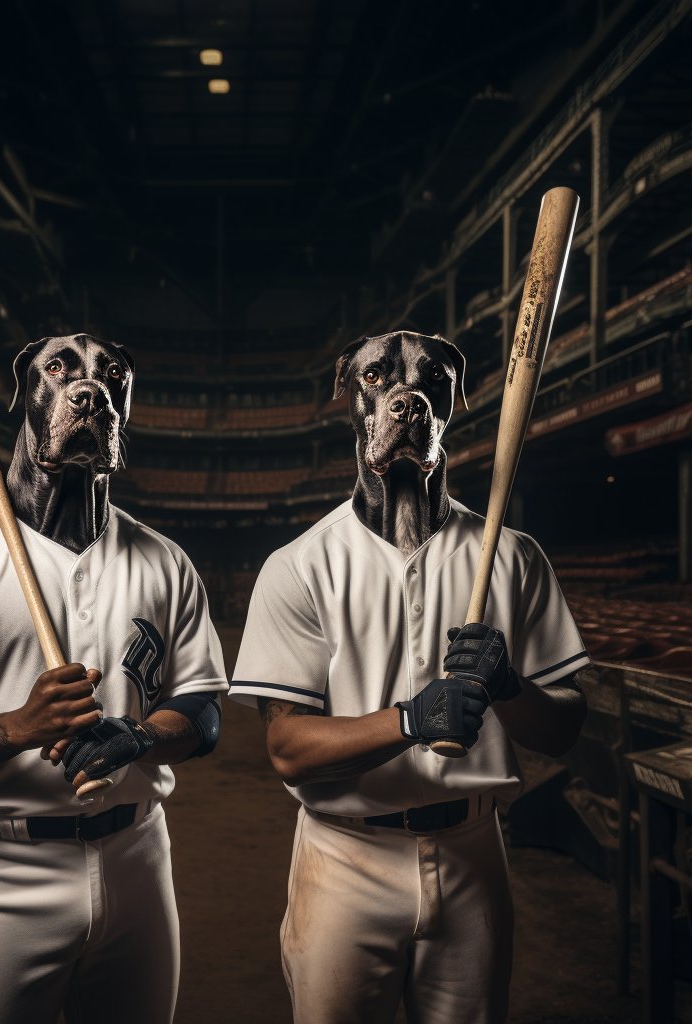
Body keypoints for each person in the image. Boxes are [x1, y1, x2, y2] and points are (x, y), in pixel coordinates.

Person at [0, 333, 226, 1023]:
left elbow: (203, 710)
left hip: (138, 858)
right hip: (0, 877)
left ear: (126, 406)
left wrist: (138, 739)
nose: (87, 388)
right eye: (59, 371)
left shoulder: (166, 561)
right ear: (25, 397)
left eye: (110, 377)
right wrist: (20, 728)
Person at [229, 330, 588, 1024]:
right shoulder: (299, 565)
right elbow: (286, 749)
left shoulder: (511, 557)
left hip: (474, 851)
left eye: (431, 384)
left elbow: (567, 728)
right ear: (350, 401)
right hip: (344, 857)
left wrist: (511, 689)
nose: (407, 397)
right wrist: (409, 721)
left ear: (454, 404)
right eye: (378, 380)